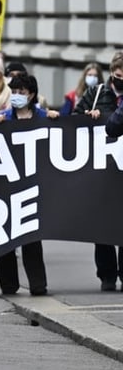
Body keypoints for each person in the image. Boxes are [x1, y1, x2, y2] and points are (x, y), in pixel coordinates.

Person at [0, 73, 59, 295]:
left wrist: (57, 119)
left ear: (31, 95)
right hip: (5, 186)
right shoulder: (3, 119)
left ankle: (38, 284)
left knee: (31, 236)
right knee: (5, 235)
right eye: (15, 92)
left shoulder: (44, 118)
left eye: (22, 92)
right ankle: (8, 285)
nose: (17, 96)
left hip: (33, 186)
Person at [75, 55, 123, 291]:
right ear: (113, 73)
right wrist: (87, 118)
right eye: (118, 75)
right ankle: (107, 275)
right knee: (102, 224)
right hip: (101, 168)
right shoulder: (96, 94)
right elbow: (73, 121)